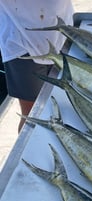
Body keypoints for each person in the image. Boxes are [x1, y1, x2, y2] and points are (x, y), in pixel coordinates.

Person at [0, 0, 74, 132]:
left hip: (61, 29)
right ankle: (30, 152)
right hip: (20, 39)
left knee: (66, 104)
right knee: (31, 114)